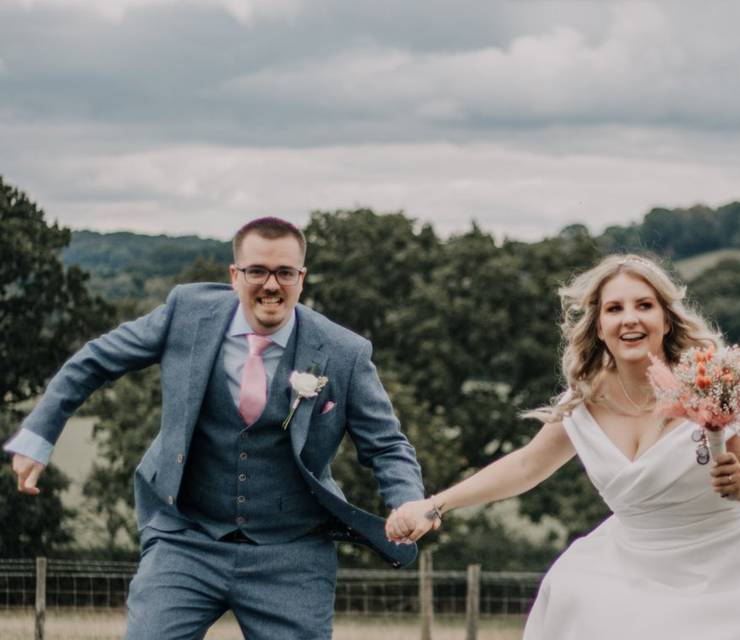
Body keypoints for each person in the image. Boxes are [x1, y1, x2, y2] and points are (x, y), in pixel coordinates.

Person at [386, 254, 740, 639]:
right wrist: (436, 505)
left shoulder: (718, 385)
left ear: (665, 319)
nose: (630, 318)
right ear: (599, 325)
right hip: (632, 568)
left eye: (644, 305)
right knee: (572, 594)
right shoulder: (585, 401)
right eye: (614, 309)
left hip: (733, 571)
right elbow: (526, 466)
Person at [5, 217, 425, 640]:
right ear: (235, 274)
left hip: (292, 553)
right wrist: (39, 437)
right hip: (186, 537)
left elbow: (387, 445)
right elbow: (95, 361)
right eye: (257, 271)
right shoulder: (186, 313)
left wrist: (407, 500)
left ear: (302, 278)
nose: (271, 285)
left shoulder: (343, 353)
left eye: (285, 273)